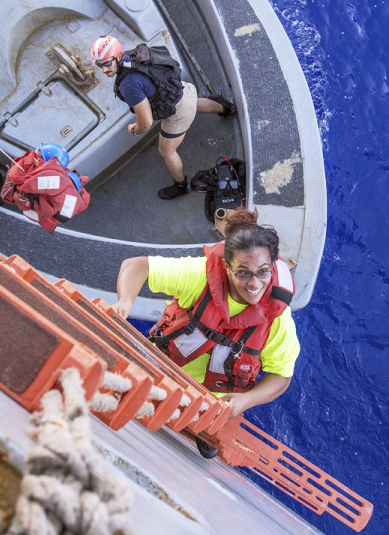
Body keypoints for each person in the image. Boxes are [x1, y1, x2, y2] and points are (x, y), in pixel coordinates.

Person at [112, 209, 299, 456]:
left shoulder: (278, 319)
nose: (254, 284)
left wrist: (246, 401)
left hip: (210, 401)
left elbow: (281, 375)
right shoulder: (200, 276)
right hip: (157, 367)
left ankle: (203, 425)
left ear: (273, 266)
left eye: (263, 271)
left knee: (204, 443)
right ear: (226, 266)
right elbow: (137, 266)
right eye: (243, 272)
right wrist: (124, 302)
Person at [90, 36, 236, 200]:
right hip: (183, 89)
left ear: (117, 56)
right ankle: (226, 107)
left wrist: (134, 129)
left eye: (107, 63)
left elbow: (146, 123)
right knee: (192, 103)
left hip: (177, 113)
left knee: (166, 151)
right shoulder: (133, 56)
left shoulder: (128, 85)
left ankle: (181, 186)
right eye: (99, 64)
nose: (103, 69)